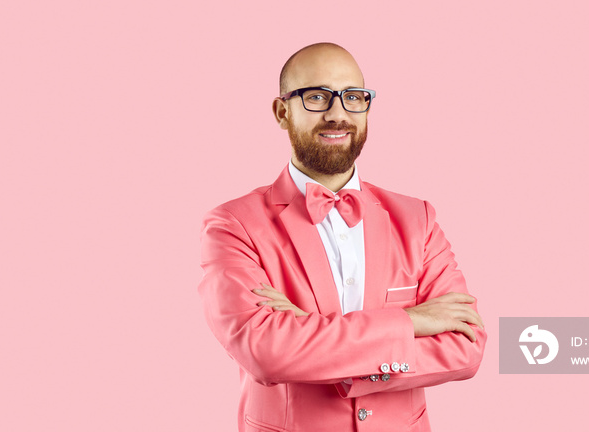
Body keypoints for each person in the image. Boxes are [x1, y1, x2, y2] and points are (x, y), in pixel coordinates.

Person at [198, 42, 487, 432]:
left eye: (353, 98)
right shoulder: (233, 225)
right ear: (282, 112)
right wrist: (412, 321)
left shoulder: (418, 218)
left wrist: (311, 334)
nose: (338, 114)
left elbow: (465, 349)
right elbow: (265, 351)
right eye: (316, 97)